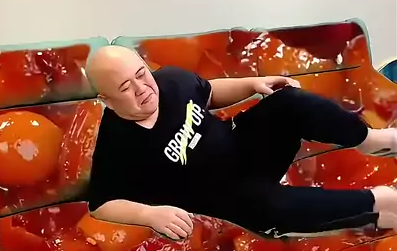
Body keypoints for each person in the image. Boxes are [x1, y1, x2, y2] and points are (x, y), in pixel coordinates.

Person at [86, 45, 397, 240]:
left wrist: (251, 84)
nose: (142, 88)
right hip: (226, 195)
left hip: (243, 145)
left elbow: (208, 92)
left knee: (288, 101)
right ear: (107, 100)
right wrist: (149, 215)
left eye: (141, 74)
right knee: (271, 207)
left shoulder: (170, 81)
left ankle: (370, 139)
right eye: (125, 87)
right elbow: (102, 204)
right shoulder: (117, 142)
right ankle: (376, 201)